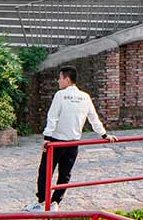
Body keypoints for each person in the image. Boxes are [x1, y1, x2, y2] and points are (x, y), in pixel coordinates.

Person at [25, 66, 116, 212]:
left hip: (56, 141)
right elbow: (93, 118)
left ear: (67, 79)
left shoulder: (60, 95)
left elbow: (52, 117)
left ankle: (43, 202)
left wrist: (46, 138)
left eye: (60, 78)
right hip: (74, 143)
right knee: (65, 174)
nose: (58, 81)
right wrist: (104, 135)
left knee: (45, 172)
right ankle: (55, 202)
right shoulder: (85, 97)